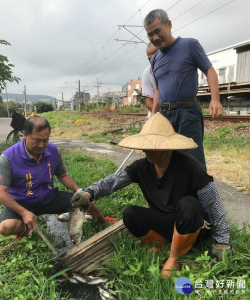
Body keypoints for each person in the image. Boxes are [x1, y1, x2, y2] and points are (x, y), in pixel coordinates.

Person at [71, 113, 230, 277]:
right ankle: (161, 245)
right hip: (166, 221)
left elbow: (214, 206)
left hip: (191, 225)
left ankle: (174, 257)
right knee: (130, 213)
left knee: (187, 204)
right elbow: (112, 182)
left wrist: (222, 242)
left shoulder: (190, 167)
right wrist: (89, 193)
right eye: (146, 145)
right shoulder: (141, 167)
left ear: (167, 145)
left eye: (154, 146)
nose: (148, 150)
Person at [0, 116, 105, 240]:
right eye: (37, 140)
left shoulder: (52, 150)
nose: (41, 145)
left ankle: (103, 223)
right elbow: (0, 193)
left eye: (45, 140)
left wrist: (79, 192)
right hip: (22, 202)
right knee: (5, 227)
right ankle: (25, 229)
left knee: (86, 203)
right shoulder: (9, 157)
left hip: (49, 197)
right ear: (25, 134)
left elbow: (63, 175)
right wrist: (23, 212)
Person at [143, 9, 223, 168]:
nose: (155, 38)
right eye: (150, 35)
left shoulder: (189, 45)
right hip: (164, 115)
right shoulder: (156, 58)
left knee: (192, 161)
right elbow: (159, 88)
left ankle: (199, 193)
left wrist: (215, 99)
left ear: (169, 24)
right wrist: (153, 113)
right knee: (166, 160)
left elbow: (209, 70)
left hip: (187, 113)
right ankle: (174, 193)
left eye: (157, 31)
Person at [142, 42, 159, 118]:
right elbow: (149, 103)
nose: (152, 61)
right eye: (149, 59)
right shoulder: (147, 73)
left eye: (155, 57)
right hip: (155, 114)